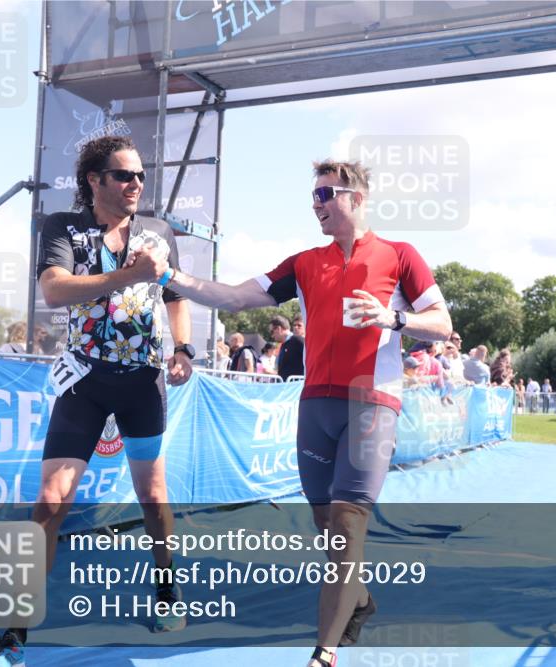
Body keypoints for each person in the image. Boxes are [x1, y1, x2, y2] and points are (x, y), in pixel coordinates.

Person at [152, 159, 451, 667]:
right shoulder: (306, 262)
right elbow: (236, 296)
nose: (316, 204)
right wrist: (170, 275)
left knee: (348, 524)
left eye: (325, 194)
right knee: (326, 524)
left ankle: (324, 653)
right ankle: (358, 600)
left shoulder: (401, 256)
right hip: (315, 405)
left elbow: (442, 323)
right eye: (312, 196)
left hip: (370, 405)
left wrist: (393, 318)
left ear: (357, 197)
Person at [0, 136, 195, 667]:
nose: (135, 184)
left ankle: (166, 585)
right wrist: (128, 275)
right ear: (94, 180)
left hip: (143, 382)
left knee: (153, 496)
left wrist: (183, 347)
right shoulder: (63, 227)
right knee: (50, 502)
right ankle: (15, 632)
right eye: (123, 176)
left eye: (140, 175)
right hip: (84, 383)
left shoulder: (160, 233)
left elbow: (176, 296)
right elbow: (55, 291)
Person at [270, 315, 305, 380]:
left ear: (278, 329)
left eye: (272, 331)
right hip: (286, 387)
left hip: (297, 387)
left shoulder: (299, 341)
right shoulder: (284, 345)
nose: (272, 336)